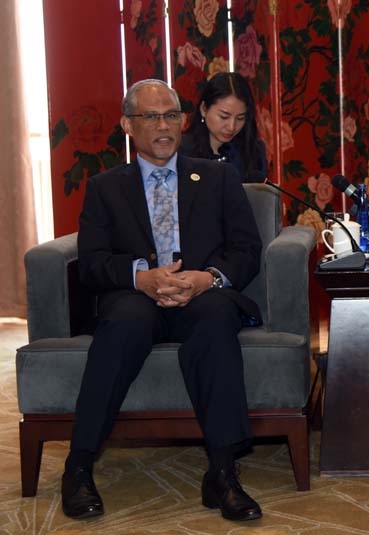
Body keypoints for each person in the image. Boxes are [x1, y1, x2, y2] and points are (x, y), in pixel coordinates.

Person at [62, 79, 264, 522]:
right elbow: (92, 263)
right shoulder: (105, 187)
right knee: (122, 324)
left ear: (183, 121)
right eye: (150, 117)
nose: (163, 126)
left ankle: (223, 473)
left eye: (171, 115)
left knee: (217, 319)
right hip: (136, 297)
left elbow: (247, 250)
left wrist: (207, 278)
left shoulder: (218, 178)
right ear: (127, 125)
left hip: (202, 294)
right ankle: (78, 467)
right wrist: (142, 278)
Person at [181, 72, 268, 181]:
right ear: (204, 109)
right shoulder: (182, 151)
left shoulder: (254, 152)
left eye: (240, 118)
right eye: (224, 117)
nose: (231, 127)